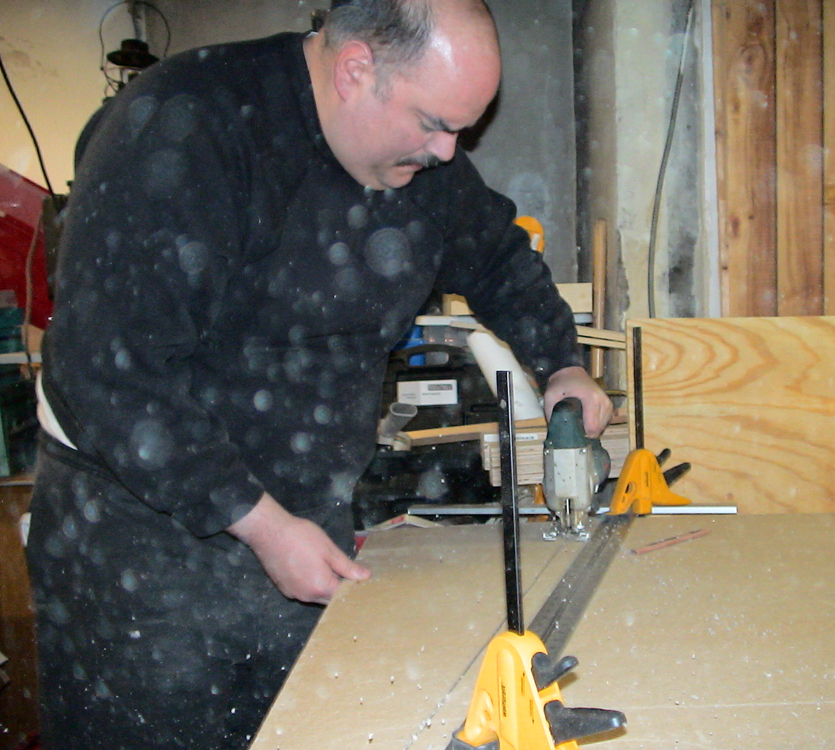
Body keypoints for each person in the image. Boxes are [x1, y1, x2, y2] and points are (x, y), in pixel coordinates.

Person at [26, 0, 613, 747]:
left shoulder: (421, 163)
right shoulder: (183, 127)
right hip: (138, 544)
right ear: (355, 69)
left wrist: (562, 364)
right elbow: (109, 370)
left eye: (461, 130)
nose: (446, 152)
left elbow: (497, 257)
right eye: (434, 123)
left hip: (304, 523)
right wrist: (261, 523)